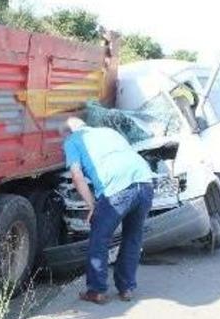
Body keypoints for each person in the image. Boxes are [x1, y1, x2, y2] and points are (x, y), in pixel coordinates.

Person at [61, 117, 154, 304]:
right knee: (133, 237)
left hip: (117, 190)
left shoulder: (72, 141)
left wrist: (91, 205)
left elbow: (77, 175)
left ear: (68, 132)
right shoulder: (109, 131)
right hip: (145, 182)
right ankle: (126, 288)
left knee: (99, 238)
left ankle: (97, 291)